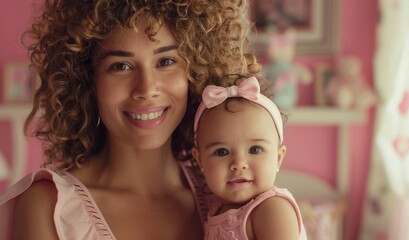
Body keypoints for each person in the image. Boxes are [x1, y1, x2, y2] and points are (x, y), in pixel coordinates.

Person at [0, 0, 261, 239]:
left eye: (166, 61)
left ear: (195, 73)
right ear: (87, 81)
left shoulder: (234, 193)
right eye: (120, 66)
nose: (146, 89)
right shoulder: (49, 207)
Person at [192, 76, 307, 240]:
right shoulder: (215, 209)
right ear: (200, 160)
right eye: (222, 152)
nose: (238, 164)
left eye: (255, 149)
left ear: (278, 158)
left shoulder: (272, 208)